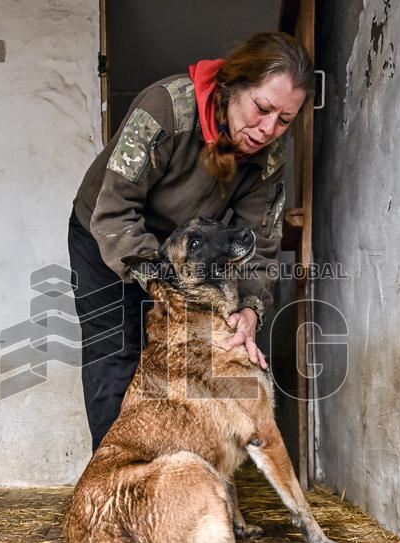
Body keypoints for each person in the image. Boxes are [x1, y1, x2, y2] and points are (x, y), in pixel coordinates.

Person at [68, 31, 313, 450]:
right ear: (233, 86)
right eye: (262, 108)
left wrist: (250, 309)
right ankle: (120, 479)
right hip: (106, 233)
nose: (269, 129)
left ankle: (175, 476)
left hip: (184, 255)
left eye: (284, 120)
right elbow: (114, 210)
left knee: (184, 363)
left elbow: (260, 244)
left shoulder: (267, 158)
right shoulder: (165, 109)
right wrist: (163, 283)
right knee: (117, 354)